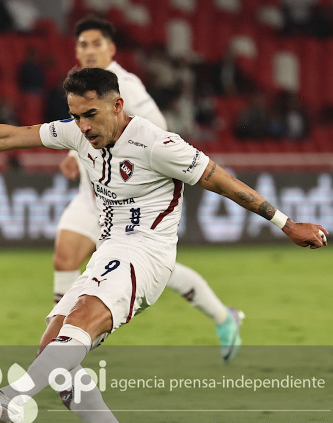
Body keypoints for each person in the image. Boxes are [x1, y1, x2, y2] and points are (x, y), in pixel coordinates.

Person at [0, 67, 328, 423]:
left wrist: (286, 223)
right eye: (76, 117)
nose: (83, 127)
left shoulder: (158, 144)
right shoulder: (80, 135)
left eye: (91, 115)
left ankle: (6, 399)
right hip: (111, 252)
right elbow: (6, 137)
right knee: (52, 351)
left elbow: (220, 180)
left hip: (147, 255)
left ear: (117, 105)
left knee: (73, 331)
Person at [57, 17, 244, 363]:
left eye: (97, 43)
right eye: (83, 44)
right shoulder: (80, 84)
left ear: (111, 49)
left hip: (135, 198)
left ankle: (222, 316)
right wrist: (74, 151)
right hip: (92, 197)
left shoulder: (126, 86)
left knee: (157, 270)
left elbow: (156, 131)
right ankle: (62, 338)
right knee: (65, 256)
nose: (89, 50)